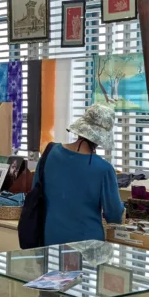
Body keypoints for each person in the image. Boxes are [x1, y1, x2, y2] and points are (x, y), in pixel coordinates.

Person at [34, 101, 124, 246]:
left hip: (50, 238)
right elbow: (113, 215)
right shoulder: (104, 169)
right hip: (88, 243)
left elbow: (36, 191)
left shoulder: (50, 153)